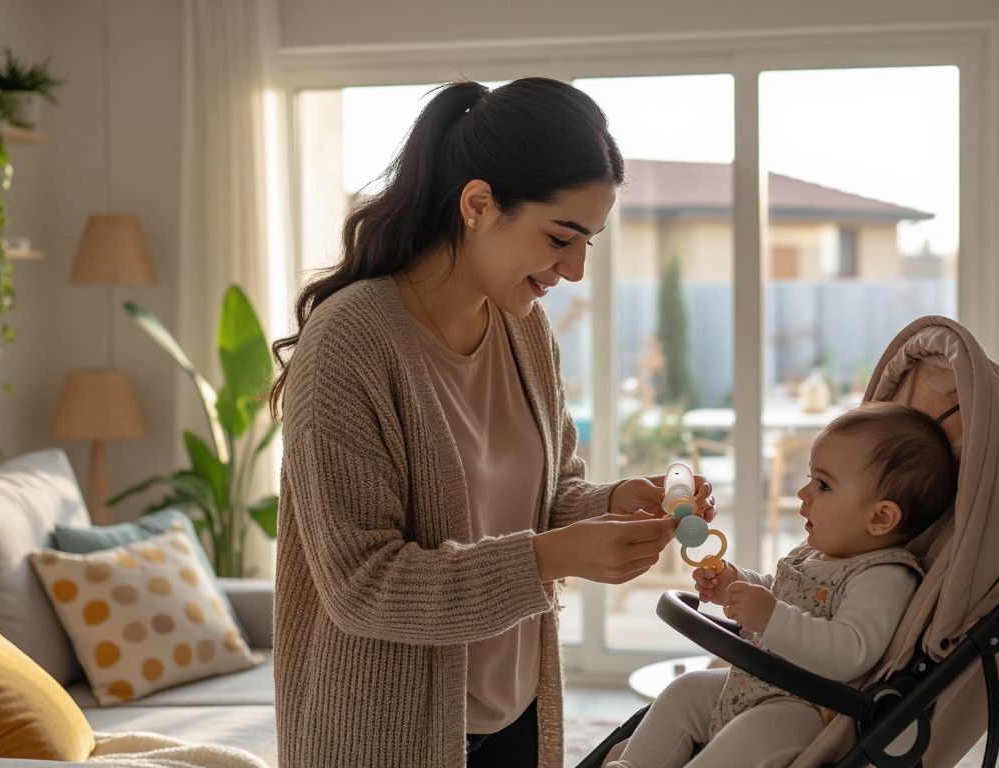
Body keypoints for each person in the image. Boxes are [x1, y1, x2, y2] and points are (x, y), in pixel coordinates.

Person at [268, 78, 716, 768]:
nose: (574, 269)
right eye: (561, 237)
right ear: (478, 205)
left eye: (589, 242)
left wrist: (612, 504)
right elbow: (362, 586)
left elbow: (544, 497)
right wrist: (555, 557)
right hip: (385, 741)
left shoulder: (524, 330)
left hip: (518, 718)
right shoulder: (349, 344)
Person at [607, 402, 957, 768]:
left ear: (881, 517)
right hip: (755, 682)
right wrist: (736, 584)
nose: (804, 493)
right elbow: (782, 592)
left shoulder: (884, 576)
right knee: (687, 691)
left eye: (823, 484)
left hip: (805, 709)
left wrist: (771, 617)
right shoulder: (816, 554)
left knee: (748, 741)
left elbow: (850, 652)